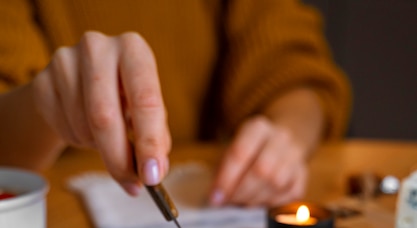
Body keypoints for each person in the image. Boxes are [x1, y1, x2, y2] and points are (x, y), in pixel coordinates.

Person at [0, 0, 351, 207]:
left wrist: (287, 133)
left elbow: (295, 68)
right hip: (52, 221)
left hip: (211, 194)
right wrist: (46, 103)